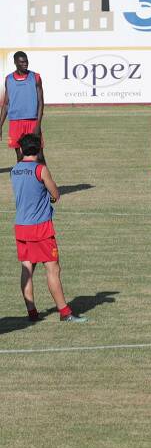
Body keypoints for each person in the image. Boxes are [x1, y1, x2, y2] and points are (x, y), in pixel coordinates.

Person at [10, 134, 85, 323]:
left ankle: (32, 312)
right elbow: (55, 193)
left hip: (21, 226)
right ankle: (65, 312)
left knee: (27, 269)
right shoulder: (40, 169)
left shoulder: (15, 170)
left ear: (22, 149)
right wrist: (50, 197)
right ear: (39, 149)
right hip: (40, 227)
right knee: (53, 269)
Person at [0, 51, 45, 163]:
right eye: (22, 62)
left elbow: (40, 102)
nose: (25, 64)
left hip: (32, 121)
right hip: (15, 122)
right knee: (20, 157)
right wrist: (0, 125)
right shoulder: (9, 79)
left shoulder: (35, 77)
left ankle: (43, 180)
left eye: (26, 61)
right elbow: (6, 104)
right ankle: (23, 180)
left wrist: (38, 124)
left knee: (39, 156)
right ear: (15, 62)